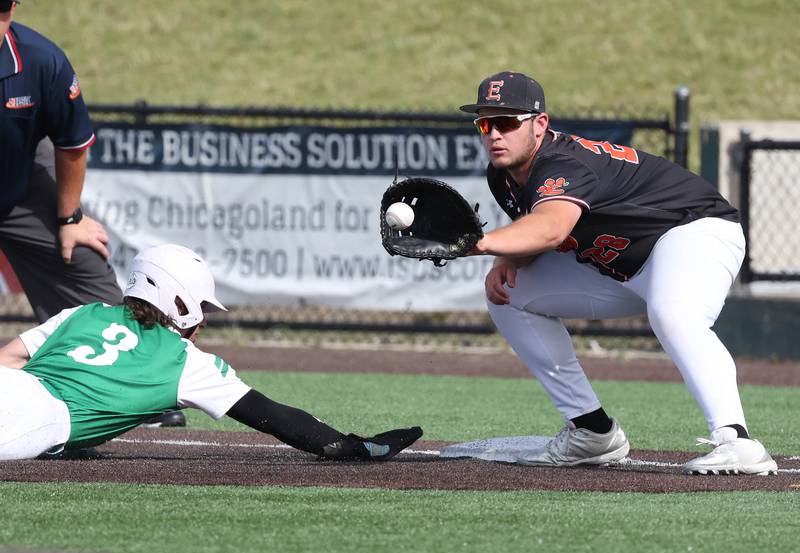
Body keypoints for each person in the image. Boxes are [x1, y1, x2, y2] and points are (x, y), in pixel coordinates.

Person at [460, 71, 776, 475]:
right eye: (485, 123)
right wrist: (505, 259)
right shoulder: (502, 176)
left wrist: (482, 244)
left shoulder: (562, 162)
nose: (494, 135)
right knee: (508, 292)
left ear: (540, 125)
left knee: (674, 313)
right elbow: (536, 228)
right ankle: (592, 432)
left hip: (694, 232)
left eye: (506, 122)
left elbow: (552, 227)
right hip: (625, 265)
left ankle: (738, 440)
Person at [0, 244, 423, 461]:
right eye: (199, 307)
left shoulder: (84, 313)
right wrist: (354, 448)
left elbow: (8, 359)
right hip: (39, 420)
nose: (202, 321)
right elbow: (279, 419)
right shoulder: (187, 362)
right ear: (177, 301)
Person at [0, 1, 180, 429]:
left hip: (18, 188)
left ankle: (132, 388)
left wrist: (68, 220)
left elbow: (72, 143)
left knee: (87, 271)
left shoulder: (41, 60)